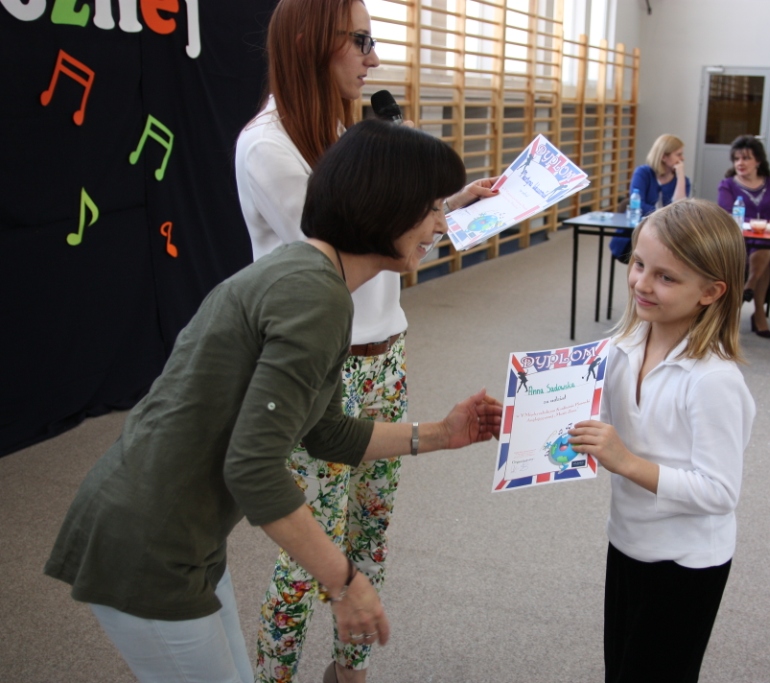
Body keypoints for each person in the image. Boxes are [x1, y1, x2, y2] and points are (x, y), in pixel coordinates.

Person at [44, 120, 503, 683]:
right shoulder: (315, 297)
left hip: (184, 537)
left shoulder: (317, 279)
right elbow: (253, 467)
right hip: (149, 545)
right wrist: (344, 582)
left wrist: (441, 433)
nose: (441, 222)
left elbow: (326, 432)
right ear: (386, 205)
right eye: (431, 207)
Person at [233, 2, 496, 681]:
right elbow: (343, 248)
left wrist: (452, 206)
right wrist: (428, 213)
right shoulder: (268, 145)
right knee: (309, 551)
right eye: (361, 40)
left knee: (371, 529)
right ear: (309, 42)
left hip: (386, 356)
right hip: (321, 365)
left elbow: (381, 227)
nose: (373, 58)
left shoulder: (344, 129)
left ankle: (349, 670)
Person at [569, 199, 756, 683]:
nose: (642, 284)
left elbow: (720, 492)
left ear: (711, 291)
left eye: (666, 277)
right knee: (621, 670)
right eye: (638, 264)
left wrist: (626, 462)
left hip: (686, 562)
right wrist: (528, 421)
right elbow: (597, 422)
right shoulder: (623, 347)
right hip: (628, 539)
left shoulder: (714, 381)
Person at [717, 135, 770, 339]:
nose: (740, 163)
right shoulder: (727, 185)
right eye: (737, 159)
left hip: (767, 245)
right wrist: (765, 224)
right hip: (737, 245)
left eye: (746, 158)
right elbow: (726, 215)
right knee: (764, 250)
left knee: (765, 247)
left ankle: (748, 287)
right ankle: (759, 314)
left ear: (758, 161)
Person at [609, 134, 691, 263]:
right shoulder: (643, 173)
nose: (682, 159)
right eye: (678, 154)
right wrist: (664, 215)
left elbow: (680, 210)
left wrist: (680, 175)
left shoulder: (683, 181)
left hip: (667, 235)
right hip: (638, 232)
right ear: (664, 157)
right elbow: (638, 204)